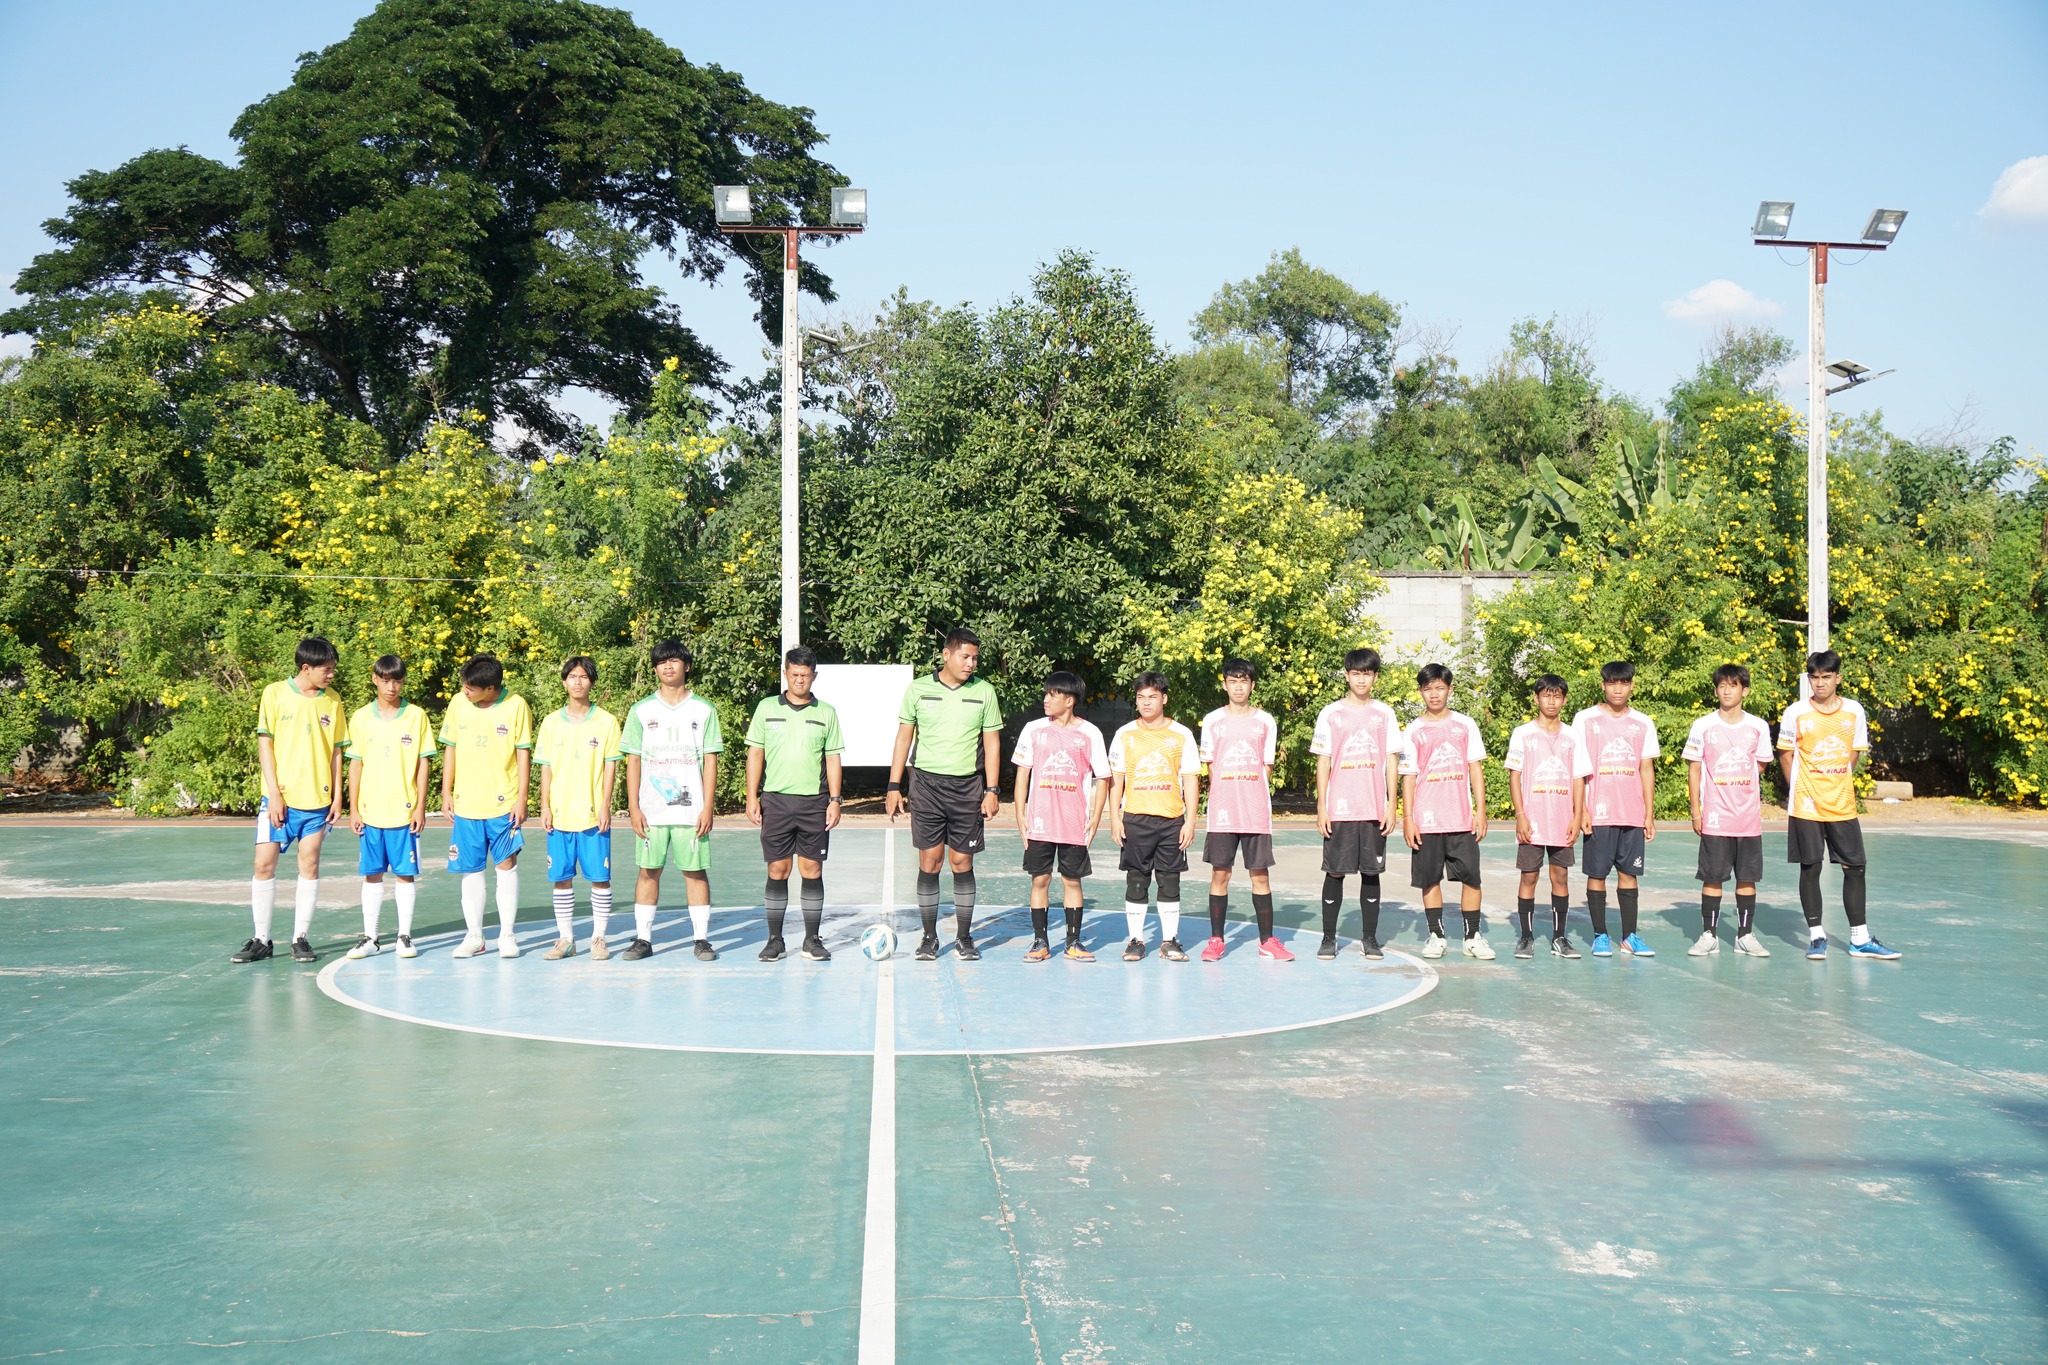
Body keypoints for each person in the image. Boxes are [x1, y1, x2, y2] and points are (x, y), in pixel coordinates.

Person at [887, 628, 1004, 962]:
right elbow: (903, 738)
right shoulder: (919, 689)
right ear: (946, 655)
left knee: (961, 861)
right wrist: (894, 785)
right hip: (926, 786)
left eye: (975, 658)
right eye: (965, 657)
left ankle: (964, 937)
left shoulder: (984, 691)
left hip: (968, 787)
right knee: (930, 860)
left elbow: (992, 743)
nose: (971, 663)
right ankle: (928, 937)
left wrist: (992, 789)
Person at [1778, 650, 1899, 960]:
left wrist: (1836, 780)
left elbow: (1854, 753)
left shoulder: (1854, 711)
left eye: (1826, 677)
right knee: (1811, 866)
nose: (1820, 683)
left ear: (1838, 678)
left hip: (1842, 804)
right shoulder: (1795, 712)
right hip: (1806, 806)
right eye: (1815, 678)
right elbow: (1786, 754)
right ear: (1809, 679)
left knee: (1855, 867)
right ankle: (1817, 937)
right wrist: (1800, 790)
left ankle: (1859, 939)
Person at [235, 637, 346, 964]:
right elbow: (265, 746)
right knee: (263, 864)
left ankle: (300, 938)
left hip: (318, 802)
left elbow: (337, 751)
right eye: (327, 670)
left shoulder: (333, 701)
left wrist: (339, 796)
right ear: (306, 667)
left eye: (333, 670)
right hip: (279, 800)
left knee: (309, 863)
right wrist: (274, 795)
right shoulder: (275, 693)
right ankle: (261, 939)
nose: (331, 676)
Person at [621, 639, 722, 961]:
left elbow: (711, 760)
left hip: (691, 810)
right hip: (651, 810)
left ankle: (702, 939)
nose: (668, 666)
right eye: (662, 662)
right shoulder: (641, 711)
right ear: (655, 668)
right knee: (648, 871)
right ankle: (643, 939)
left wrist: (708, 806)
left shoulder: (704, 710)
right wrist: (634, 806)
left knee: (695, 872)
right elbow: (633, 760)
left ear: (686, 666)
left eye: (675, 661)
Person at [745, 646, 845, 964]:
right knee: (778, 869)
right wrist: (751, 797)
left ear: (814, 676)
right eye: (794, 673)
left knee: (811, 869)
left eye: (805, 674)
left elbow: (833, 758)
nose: (800, 679)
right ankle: (775, 940)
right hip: (775, 800)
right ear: (785, 673)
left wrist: (835, 799)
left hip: (814, 803)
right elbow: (755, 755)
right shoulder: (765, 708)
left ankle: (811, 940)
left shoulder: (826, 712)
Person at [1011, 670, 1110, 961]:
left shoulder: (1089, 733)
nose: (1046, 699)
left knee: (1072, 881)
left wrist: (1095, 817)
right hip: (1039, 822)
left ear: (1069, 700)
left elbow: (1103, 777)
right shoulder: (1034, 729)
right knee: (1039, 880)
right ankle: (1039, 942)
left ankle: (1073, 942)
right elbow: (1022, 774)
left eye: (1052, 694)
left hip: (1073, 823)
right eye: (1046, 693)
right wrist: (1020, 813)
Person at [440, 654, 534, 958]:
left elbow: (523, 754)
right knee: (471, 870)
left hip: (503, 803)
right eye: (464, 686)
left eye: (471, 688)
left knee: (506, 866)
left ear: (491, 688)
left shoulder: (516, 705)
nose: (465, 691)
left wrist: (522, 798)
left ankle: (507, 935)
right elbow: (450, 748)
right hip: (467, 804)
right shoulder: (458, 704)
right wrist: (446, 791)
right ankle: (475, 937)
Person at [1311, 647, 1401, 960]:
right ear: (1347, 675)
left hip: (1373, 807)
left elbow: (1392, 760)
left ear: (1375, 676)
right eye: (1356, 673)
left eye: (1367, 673)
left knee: (1371, 873)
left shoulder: (1384, 713)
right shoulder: (1330, 713)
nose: (1361, 679)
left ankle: (1369, 938)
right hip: (1340, 808)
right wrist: (1322, 806)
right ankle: (1328, 938)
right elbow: (1324, 762)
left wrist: (1392, 805)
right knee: (1334, 872)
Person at [1398, 663, 1492, 960]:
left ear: (1449, 689)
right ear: (1420, 692)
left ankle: (1472, 936)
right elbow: (1408, 776)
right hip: (1426, 820)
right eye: (1428, 689)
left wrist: (1481, 811)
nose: (1434, 694)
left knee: (1471, 879)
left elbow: (1475, 768)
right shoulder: (1413, 730)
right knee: (1429, 879)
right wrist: (1408, 818)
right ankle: (1436, 935)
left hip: (1461, 818)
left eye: (1440, 688)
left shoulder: (1465, 725)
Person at [1683, 663, 1777, 958]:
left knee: (1746, 880)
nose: (1726, 690)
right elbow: (1694, 769)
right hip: (1714, 818)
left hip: (1748, 819)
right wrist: (1696, 811)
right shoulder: (1703, 725)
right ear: (1716, 690)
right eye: (1722, 685)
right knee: (1712, 878)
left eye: (1733, 685)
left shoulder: (1758, 726)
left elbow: (1760, 764)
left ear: (1744, 690)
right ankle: (1708, 934)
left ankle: (1745, 935)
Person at [344, 654, 433, 960]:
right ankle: (370, 938)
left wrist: (420, 806)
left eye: (397, 680)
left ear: (402, 681)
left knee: (405, 875)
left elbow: (424, 764)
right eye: (385, 680)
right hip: (370, 812)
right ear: (375, 680)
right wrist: (353, 808)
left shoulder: (417, 716)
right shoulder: (360, 718)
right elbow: (355, 765)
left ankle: (404, 936)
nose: (391, 686)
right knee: (372, 875)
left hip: (404, 812)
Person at [1108, 671, 1201, 962]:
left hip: (1172, 820)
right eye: (1140, 697)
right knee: (1137, 880)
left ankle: (1169, 941)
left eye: (1152, 697)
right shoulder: (1125, 734)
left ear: (1164, 698)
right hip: (1136, 819)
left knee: (1169, 880)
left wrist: (1191, 820)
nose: (1146, 702)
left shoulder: (1181, 734)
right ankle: (1136, 940)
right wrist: (1114, 817)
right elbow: (1116, 779)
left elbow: (1190, 779)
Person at [1199, 659, 1287, 961]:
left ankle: (1267, 941)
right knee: (1220, 874)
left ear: (1252, 684)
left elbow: (1267, 766)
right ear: (1224, 684)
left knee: (1260, 876)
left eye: (1244, 681)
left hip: (1255, 812)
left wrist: (1250, 794)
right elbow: (1210, 766)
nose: (1239, 686)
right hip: (1223, 812)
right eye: (1233, 680)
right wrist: (1226, 794)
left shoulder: (1265, 721)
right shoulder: (1212, 720)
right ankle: (1216, 940)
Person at [534, 655, 621, 961]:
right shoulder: (550, 722)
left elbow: (611, 768)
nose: (578, 682)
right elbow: (545, 767)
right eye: (572, 676)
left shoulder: (607, 721)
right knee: (561, 877)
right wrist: (544, 805)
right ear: (564, 682)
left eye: (584, 677)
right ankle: (566, 938)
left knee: (599, 877)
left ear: (592, 682)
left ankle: (598, 938)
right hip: (559, 814)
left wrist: (606, 805)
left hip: (592, 813)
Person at [1572, 661, 1660, 958]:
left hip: (1632, 813)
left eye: (1624, 683)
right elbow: (1578, 770)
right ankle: (1599, 936)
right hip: (1598, 812)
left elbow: (1646, 768)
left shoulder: (1643, 722)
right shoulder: (1584, 719)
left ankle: (1629, 937)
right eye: (1612, 683)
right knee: (1596, 874)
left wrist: (1648, 812)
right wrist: (1580, 809)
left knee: (1629, 874)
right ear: (1603, 685)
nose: (1618, 688)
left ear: (1632, 686)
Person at [1504, 674, 1582, 960]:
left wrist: (1577, 816)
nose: (1551, 701)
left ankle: (1559, 937)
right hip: (1533, 820)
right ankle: (1526, 937)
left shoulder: (1573, 736)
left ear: (1564, 699)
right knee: (1529, 876)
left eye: (1557, 696)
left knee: (1560, 876)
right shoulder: (1522, 734)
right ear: (1536, 698)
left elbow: (1577, 779)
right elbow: (1515, 777)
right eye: (1546, 695)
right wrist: (1521, 814)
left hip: (1563, 821)